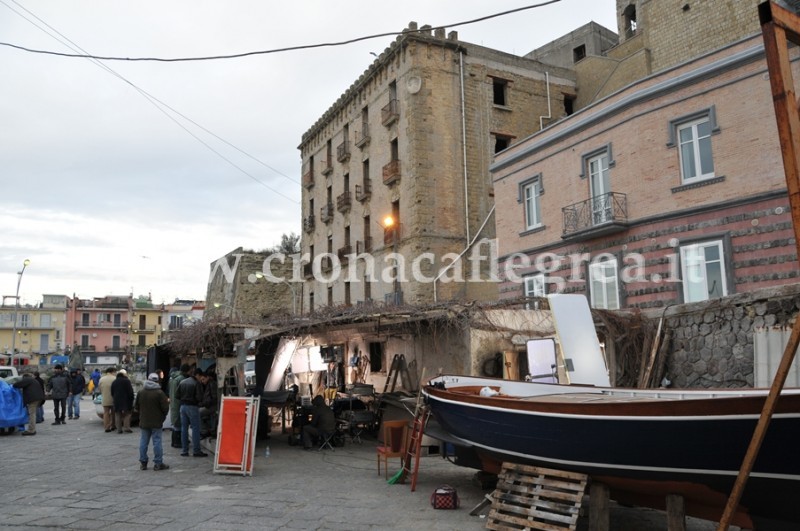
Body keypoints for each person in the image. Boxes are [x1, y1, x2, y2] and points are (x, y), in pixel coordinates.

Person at [134, 373, 170, 471]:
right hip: (157, 421)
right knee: (157, 442)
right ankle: (158, 463)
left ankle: (143, 462)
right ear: (157, 381)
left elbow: (136, 406)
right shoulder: (159, 393)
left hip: (144, 421)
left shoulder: (141, 392)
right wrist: (162, 417)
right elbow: (165, 408)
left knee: (143, 441)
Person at [177, 368, 207, 457]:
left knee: (184, 429)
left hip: (182, 407)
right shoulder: (196, 383)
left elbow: (177, 395)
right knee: (195, 428)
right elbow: (199, 397)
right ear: (198, 375)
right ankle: (196, 450)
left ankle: (184, 450)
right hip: (192, 407)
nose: (201, 379)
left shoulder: (183, 382)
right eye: (200, 377)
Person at [168, 363, 189, 448]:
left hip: (173, 402)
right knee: (179, 423)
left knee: (175, 423)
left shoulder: (172, 379)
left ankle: (174, 441)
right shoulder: (182, 379)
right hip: (179, 403)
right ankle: (178, 441)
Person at [111, 369, 134, 433]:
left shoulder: (114, 382)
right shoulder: (127, 381)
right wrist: (131, 399)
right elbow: (130, 391)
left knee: (118, 414)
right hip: (126, 400)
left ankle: (119, 429)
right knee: (127, 414)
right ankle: (126, 427)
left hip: (117, 400)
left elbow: (112, 392)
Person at [98, 367, 117, 432]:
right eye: (115, 372)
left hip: (105, 398)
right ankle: (113, 425)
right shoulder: (115, 378)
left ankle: (106, 427)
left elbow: (99, 389)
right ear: (112, 372)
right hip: (113, 398)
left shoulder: (101, 379)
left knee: (106, 413)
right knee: (113, 413)